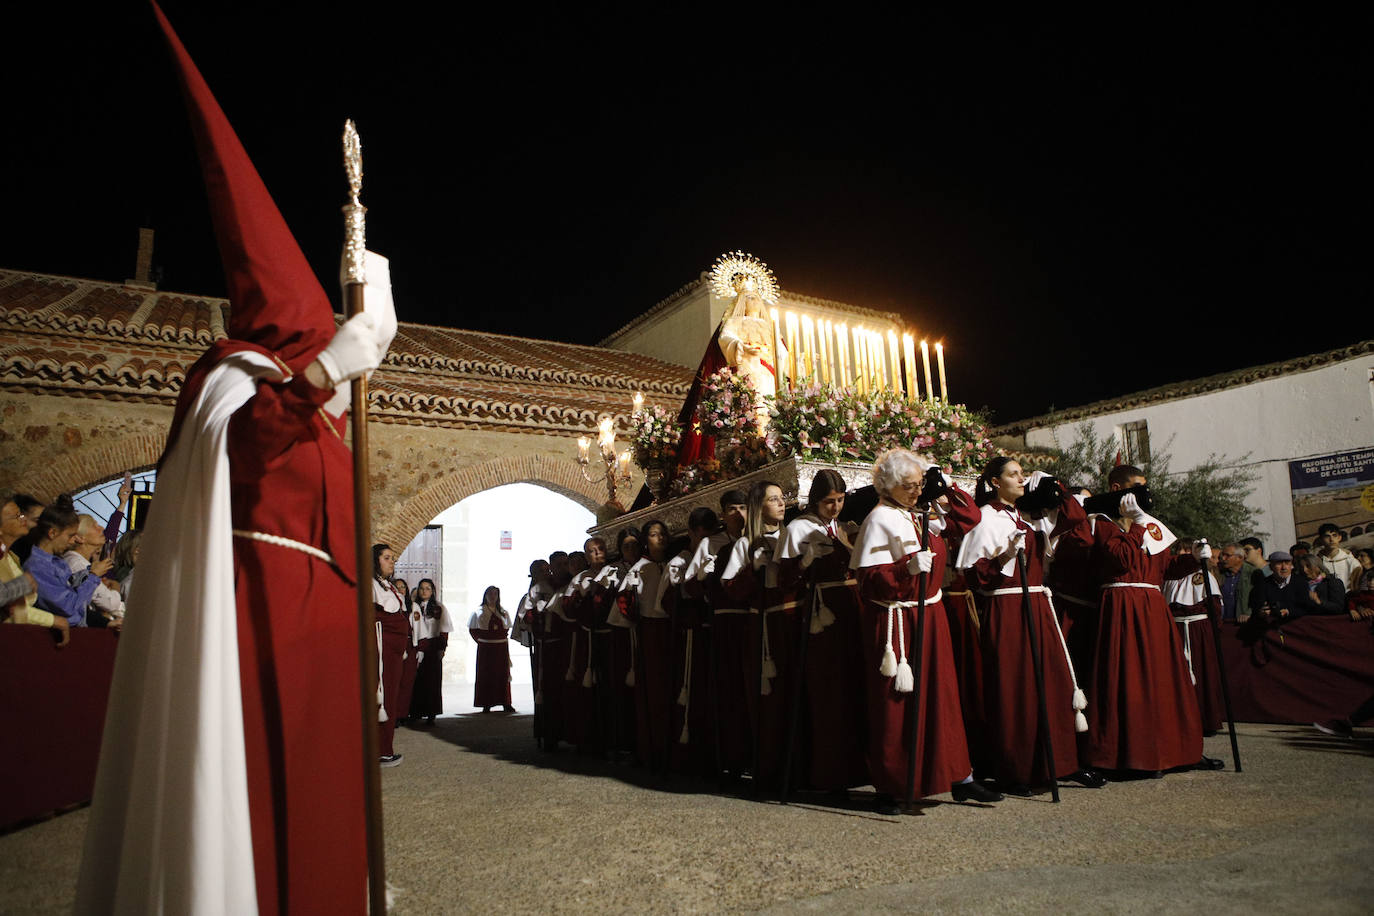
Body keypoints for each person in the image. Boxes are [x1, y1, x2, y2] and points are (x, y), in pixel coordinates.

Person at [76, 10, 396, 912]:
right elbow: (254, 443)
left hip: (326, 636)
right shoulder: (232, 379)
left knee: (330, 826)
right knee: (267, 815)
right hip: (259, 623)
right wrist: (335, 363)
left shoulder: (312, 405)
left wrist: (360, 345)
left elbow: (310, 422)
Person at [850, 449, 1000, 814]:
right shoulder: (879, 520)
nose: (917, 491)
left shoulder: (920, 515)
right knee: (897, 703)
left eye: (919, 484)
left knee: (942, 697)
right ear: (888, 485)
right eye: (909, 486)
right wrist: (905, 570)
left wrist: (944, 484)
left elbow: (968, 518)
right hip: (897, 622)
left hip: (930, 615)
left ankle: (958, 777)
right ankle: (894, 785)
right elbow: (869, 582)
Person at [957, 460, 1104, 795]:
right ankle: (1017, 768)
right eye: (1013, 474)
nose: (1021, 478)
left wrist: (1057, 487)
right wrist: (1006, 556)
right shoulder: (986, 519)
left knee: (1051, 685)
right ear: (995, 482)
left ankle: (1057, 762)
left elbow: (1077, 524)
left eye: (1023, 473)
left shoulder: (1027, 518)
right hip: (1008, 608)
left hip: (1037, 604)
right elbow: (972, 574)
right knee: (1017, 688)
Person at [1081, 465, 1218, 776]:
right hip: (1123, 606)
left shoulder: (1148, 523)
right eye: (1136, 488)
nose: (1143, 495)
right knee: (1129, 676)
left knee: (1164, 678)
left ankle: (1176, 750)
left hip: (1153, 607)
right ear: (1117, 489)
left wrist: (1193, 559)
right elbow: (1123, 559)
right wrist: (1140, 525)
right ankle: (1135, 754)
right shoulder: (1101, 524)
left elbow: (1162, 567)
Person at [773, 469, 868, 792]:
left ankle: (856, 766)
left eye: (840, 501)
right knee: (828, 689)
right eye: (829, 502)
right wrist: (804, 561)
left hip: (848, 609)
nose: (836, 507)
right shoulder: (799, 528)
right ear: (815, 501)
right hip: (821, 614)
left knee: (853, 685)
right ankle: (828, 770)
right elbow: (783, 578)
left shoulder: (839, 527)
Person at [618, 519, 675, 770]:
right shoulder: (639, 568)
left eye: (662, 534)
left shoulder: (676, 562)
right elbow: (624, 601)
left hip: (674, 631)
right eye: (653, 534)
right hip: (651, 632)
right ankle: (654, 749)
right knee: (654, 690)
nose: (659, 538)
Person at [1163, 541, 1226, 736]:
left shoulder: (1204, 576)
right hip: (1176, 628)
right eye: (1181, 550)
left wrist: (1211, 632)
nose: (1184, 554)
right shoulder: (1169, 578)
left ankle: (1205, 719)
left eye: (1188, 551)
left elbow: (1214, 607)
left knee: (1202, 672)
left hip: (1198, 630)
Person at [23, 497, 110, 628]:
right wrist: (92, 577)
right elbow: (68, 607)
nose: (72, 541)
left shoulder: (58, 563)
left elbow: (80, 606)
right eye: (70, 536)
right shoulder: (38, 567)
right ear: (52, 533)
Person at [373, 544, 408, 766]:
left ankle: (386, 747)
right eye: (386, 558)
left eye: (393, 558)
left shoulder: (387, 586)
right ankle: (379, 750)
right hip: (381, 650)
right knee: (381, 698)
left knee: (391, 698)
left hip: (394, 652)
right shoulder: (370, 585)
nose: (391, 562)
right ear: (375, 560)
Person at [63, 515, 125, 628]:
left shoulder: (79, 562)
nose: (101, 528)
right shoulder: (78, 565)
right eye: (94, 526)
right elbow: (111, 603)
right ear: (79, 537)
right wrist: (115, 587)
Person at [407, 578, 453, 726]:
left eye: (427, 588)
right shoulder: (414, 606)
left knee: (432, 680)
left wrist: (442, 648)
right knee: (417, 680)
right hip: (418, 644)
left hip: (433, 646)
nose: (424, 591)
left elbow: (444, 629)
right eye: (421, 588)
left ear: (432, 591)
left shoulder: (439, 608)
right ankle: (416, 711)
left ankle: (432, 712)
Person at [470, 585, 514, 713]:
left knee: (503, 674)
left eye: (495, 594)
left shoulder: (504, 612)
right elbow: (473, 630)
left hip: (501, 647)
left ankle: (506, 702)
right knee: (486, 674)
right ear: (485, 595)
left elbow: (506, 629)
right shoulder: (478, 612)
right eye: (490, 594)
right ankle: (486, 703)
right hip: (486, 649)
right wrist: (483, 642)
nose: (493, 596)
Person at [1248, 551, 1304, 621]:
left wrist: (1288, 611)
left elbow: (1306, 607)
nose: (1284, 567)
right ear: (1271, 567)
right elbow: (1256, 608)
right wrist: (1261, 612)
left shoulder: (1301, 582)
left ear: (1291, 566)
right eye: (1279, 564)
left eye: (1287, 563)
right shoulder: (1263, 585)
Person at [1315, 524, 1361, 591]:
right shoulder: (1317, 562)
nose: (1331, 539)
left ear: (1339, 538)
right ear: (1321, 539)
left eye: (1334, 535)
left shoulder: (1351, 561)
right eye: (1327, 536)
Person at [1216, 543, 1246, 621]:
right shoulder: (1219, 574)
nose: (1223, 558)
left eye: (1227, 555)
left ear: (1239, 557)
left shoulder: (1251, 574)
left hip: (1243, 622)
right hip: (1223, 622)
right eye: (1222, 555)